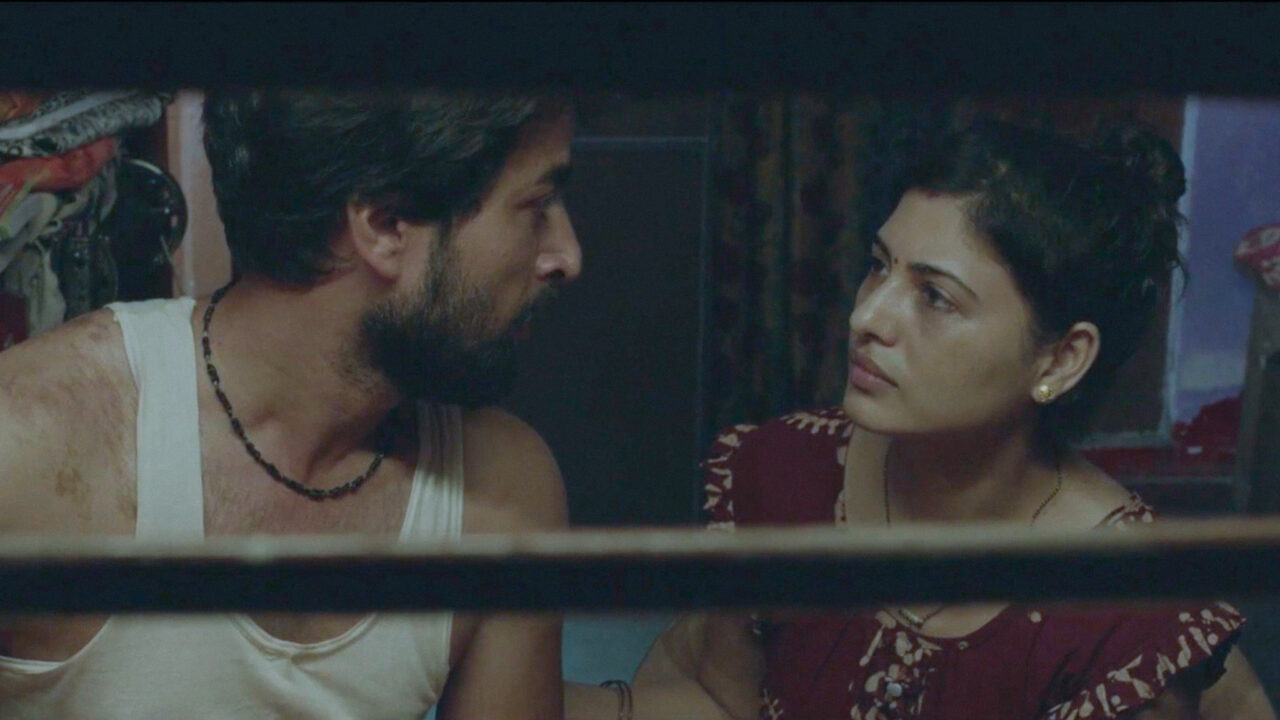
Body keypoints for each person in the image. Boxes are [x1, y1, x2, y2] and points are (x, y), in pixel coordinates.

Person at [567, 118, 1276, 719]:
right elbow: (720, 697)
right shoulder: (789, 474)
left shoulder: (1123, 619)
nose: (867, 317)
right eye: (879, 266)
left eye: (935, 297)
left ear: (1060, 359)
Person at [0, 87, 581, 719]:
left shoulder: (502, 493)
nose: (567, 257)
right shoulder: (32, 448)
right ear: (385, 225)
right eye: (537, 207)